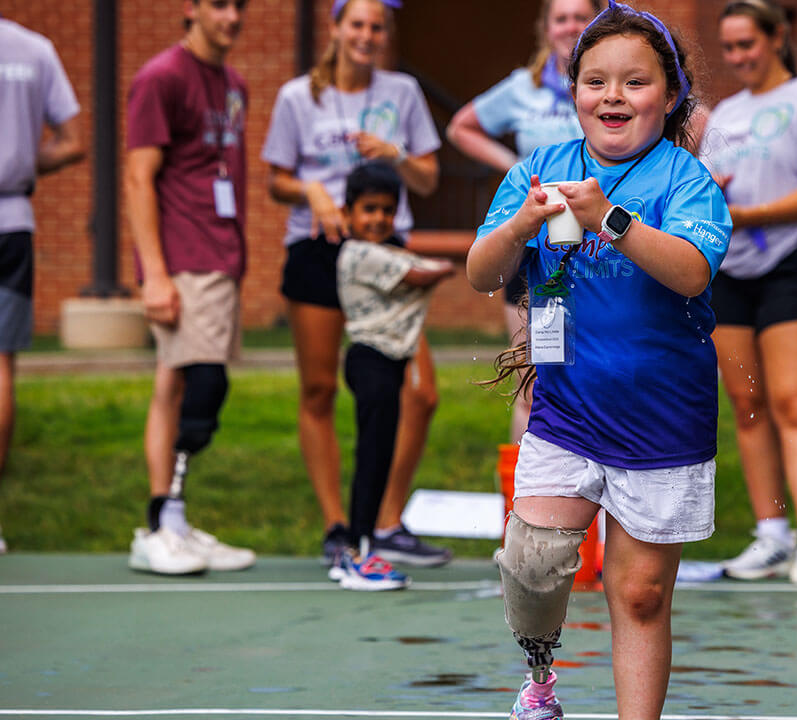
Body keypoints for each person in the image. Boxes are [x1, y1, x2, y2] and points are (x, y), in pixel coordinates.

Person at [466, 2, 731, 717]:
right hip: (567, 411)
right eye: (595, 81)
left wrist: (609, 220)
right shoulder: (541, 167)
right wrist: (521, 223)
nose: (613, 95)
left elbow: (692, 271)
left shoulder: (686, 179)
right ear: (573, 89)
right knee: (532, 562)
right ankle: (541, 676)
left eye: (635, 82)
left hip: (663, 418)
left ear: (670, 95)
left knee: (639, 593)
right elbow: (481, 272)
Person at [262, 0, 451, 574]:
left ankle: (385, 521)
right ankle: (337, 528)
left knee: (419, 394)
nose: (366, 35)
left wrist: (396, 154)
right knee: (319, 391)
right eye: (357, 24)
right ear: (337, 28)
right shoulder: (301, 96)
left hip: (387, 251)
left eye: (377, 26)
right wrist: (314, 193)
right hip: (320, 250)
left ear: (385, 33)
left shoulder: (402, 93)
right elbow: (276, 180)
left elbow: (428, 176)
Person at [699, 0, 797, 588]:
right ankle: (772, 536)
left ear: (778, 37)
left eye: (748, 44)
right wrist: (715, 202)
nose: (739, 57)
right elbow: (709, 193)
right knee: (749, 404)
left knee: (794, 402)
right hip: (728, 271)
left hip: (793, 264)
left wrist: (748, 213)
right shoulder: (724, 116)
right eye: (730, 47)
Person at [124, 0, 256, 575]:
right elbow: (137, 176)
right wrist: (153, 271)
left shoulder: (234, 84)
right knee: (198, 388)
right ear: (192, 8)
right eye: (219, 5)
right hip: (181, 257)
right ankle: (161, 522)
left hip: (221, 255)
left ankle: (171, 520)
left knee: (178, 384)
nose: (231, 16)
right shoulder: (160, 78)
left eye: (238, 6)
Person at [446, 0, 601, 444]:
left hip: (600, 246)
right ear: (545, 29)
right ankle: (520, 500)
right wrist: (515, 166)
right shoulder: (522, 88)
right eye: (561, 18)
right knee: (534, 377)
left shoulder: (608, 84)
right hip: (534, 248)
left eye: (580, 17)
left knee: (597, 375)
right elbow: (462, 127)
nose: (571, 26)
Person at [333, 162, 454, 591]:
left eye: (387, 210)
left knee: (379, 454)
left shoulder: (384, 250)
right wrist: (458, 257)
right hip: (372, 361)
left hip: (387, 363)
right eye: (368, 210)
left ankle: (361, 548)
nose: (378, 219)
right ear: (346, 214)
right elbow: (422, 272)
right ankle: (357, 554)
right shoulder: (361, 253)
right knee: (372, 456)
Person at [0, 15, 86, 554]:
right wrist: (20, 168)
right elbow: (72, 141)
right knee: (0, 365)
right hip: (11, 220)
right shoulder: (33, 49)